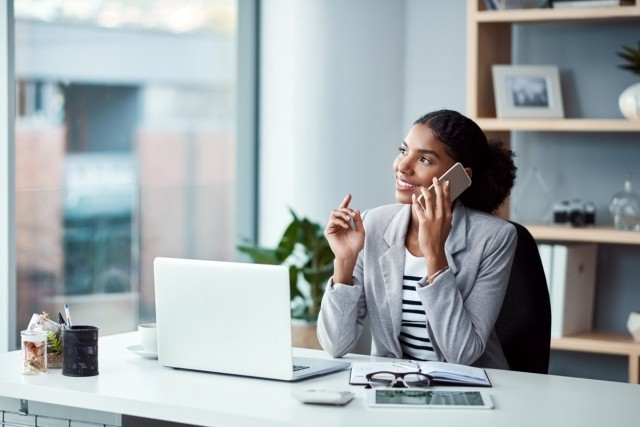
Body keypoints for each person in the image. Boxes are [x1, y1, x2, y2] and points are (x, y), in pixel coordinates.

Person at [317, 109, 517, 369]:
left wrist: (435, 253)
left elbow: (462, 355)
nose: (402, 167)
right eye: (403, 151)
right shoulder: (373, 225)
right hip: (393, 384)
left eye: (424, 159)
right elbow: (335, 344)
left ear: (460, 177)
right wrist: (344, 261)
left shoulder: (494, 238)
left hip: (467, 390)